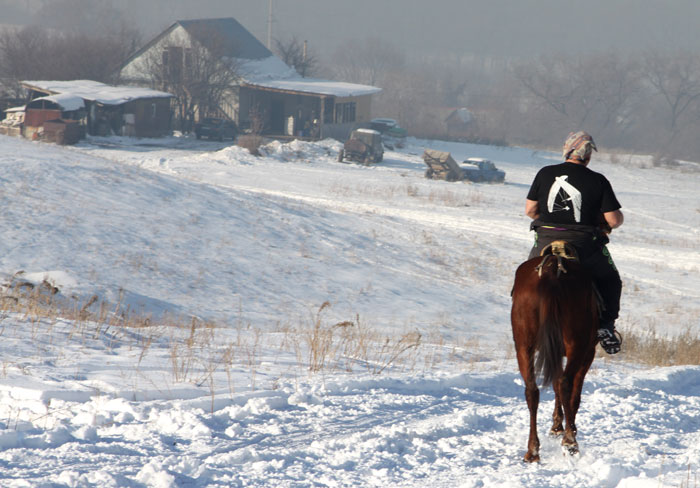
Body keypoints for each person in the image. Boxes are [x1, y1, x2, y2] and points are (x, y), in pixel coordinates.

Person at [525, 131, 623, 354]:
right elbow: (613, 220)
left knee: (526, 276)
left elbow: (530, 210)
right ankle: (606, 327)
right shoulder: (598, 180)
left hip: (545, 241)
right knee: (612, 280)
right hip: (583, 245)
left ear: (566, 150)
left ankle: (526, 314)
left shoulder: (544, 173)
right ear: (588, 156)